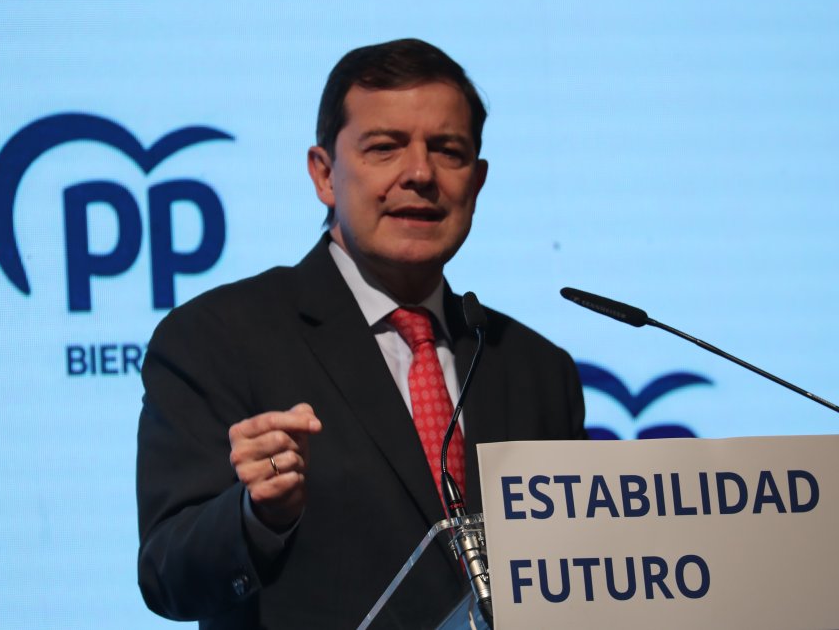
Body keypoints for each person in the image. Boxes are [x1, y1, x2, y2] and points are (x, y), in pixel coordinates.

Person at [137, 38, 586, 629]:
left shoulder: (535, 368)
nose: (420, 174)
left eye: (447, 151)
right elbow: (168, 576)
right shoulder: (214, 339)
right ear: (324, 175)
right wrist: (256, 517)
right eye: (385, 148)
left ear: (475, 182)